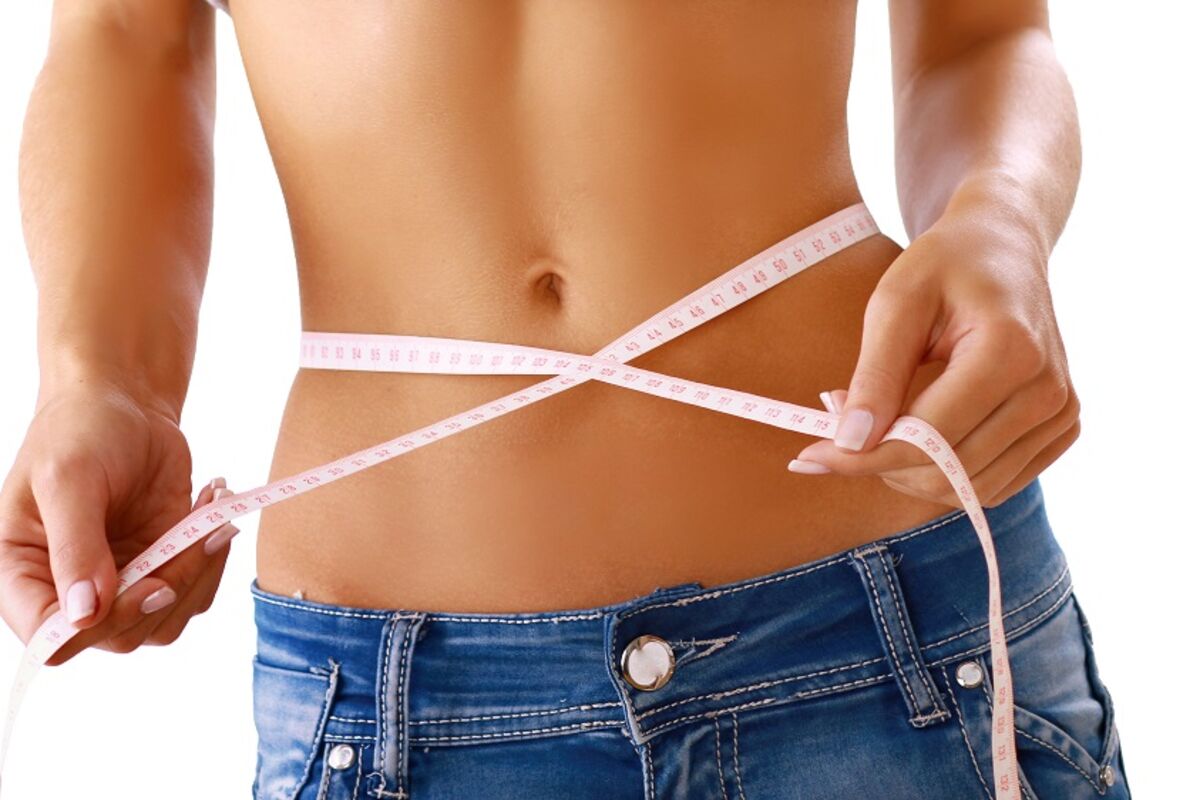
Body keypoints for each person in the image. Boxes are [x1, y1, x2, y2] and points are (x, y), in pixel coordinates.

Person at [0, 1, 1128, 798]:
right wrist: (101, 378)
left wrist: (1001, 217)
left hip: (889, 639)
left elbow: (983, 30)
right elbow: (123, 34)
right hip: (391, 710)